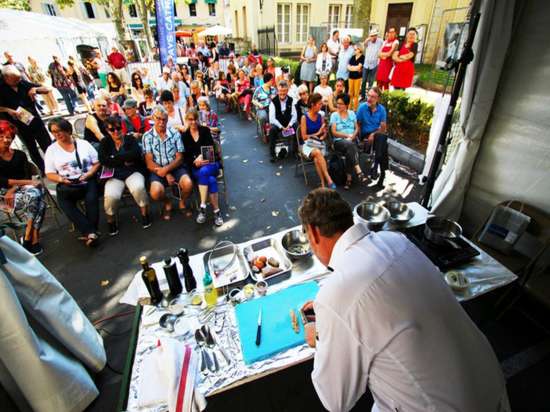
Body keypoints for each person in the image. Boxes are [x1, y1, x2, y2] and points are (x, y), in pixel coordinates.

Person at [298, 188, 511, 412]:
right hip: (491, 385)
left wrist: (319, 332)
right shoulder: (396, 239)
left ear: (312, 232)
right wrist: (333, 312)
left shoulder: (336, 295)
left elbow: (336, 401)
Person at [45, 118, 100, 247]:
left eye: (60, 131)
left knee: (91, 199)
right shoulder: (51, 150)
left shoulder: (83, 144)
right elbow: (49, 173)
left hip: (87, 179)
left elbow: (97, 162)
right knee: (65, 203)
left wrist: (90, 173)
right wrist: (61, 179)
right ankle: (92, 232)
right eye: (54, 132)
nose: (58, 134)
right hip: (67, 183)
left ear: (68, 130)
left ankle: (90, 233)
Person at [98, 115, 150, 235]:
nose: (116, 131)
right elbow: (103, 160)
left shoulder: (130, 139)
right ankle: (111, 221)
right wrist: (124, 159)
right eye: (112, 129)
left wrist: (114, 158)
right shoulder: (105, 142)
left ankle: (145, 214)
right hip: (114, 175)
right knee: (110, 196)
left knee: (138, 188)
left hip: (133, 171)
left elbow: (136, 154)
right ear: (107, 131)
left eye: (118, 128)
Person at [0, 120, 46, 255]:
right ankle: (33, 237)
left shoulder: (20, 154)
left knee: (35, 193)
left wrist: (13, 188)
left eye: (8, 136)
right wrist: (16, 187)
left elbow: (27, 175)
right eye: (1, 136)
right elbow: (1, 181)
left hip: (20, 189)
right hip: (3, 195)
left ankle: (29, 235)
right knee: (39, 199)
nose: (5, 139)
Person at [142, 106, 193, 220]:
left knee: (188, 184)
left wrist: (167, 170)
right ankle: (167, 203)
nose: (161, 122)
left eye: (164, 119)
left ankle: (182, 202)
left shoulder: (174, 133)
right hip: (157, 169)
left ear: (167, 119)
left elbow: (180, 158)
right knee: (155, 192)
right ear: (153, 118)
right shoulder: (147, 136)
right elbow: (149, 163)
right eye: (158, 118)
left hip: (175, 166)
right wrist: (166, 174)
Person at [0, 65, 52, 172]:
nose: (17, 81)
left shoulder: (22, 83)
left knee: (47, 144)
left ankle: (53, 166)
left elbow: (48, 89)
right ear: (6, 78)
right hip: (18, 124)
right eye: (14, 79)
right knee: (32, 148)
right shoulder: (1, 88)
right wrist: (8, 110)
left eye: (18, 78)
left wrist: (35, 89)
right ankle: (42, 170)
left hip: (34, 120)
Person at [181, 109, 223, 226]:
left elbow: (211, 149)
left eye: (195, 119)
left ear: (198, 119)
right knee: (211, 180)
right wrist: (195, 162)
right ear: (187, 121)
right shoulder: (185, 136)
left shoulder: (204, 130)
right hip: (196, 168)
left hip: (211, 164)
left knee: (205, 171)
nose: (193, 122)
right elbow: (186, 157)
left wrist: (200, 156)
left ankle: (202, 207)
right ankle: (217, 212)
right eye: (190, 120)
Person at [329, 93, 367, 189]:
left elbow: (356, 128)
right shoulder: (334, 115)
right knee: (350, 145)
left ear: (346, 105)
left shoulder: (352, 113)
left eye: (341, 103)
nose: (338, 105)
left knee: (350, 148)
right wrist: (347, 135)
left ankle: (348, 179)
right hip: (339, 141)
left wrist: (352, 136)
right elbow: (334, 132)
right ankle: (358, 170)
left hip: (351, 140)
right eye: (337, 103)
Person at [299, 93, 335, 189]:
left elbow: (324, 133)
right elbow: (304, 137)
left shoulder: (320, 116)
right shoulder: (304, 118)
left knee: (316, 159)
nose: (321, 105)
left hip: (319, 143)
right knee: (317, 153)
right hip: (307, 145)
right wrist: (318, 132)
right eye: (319, 104)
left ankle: (323, 184)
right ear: (312, 105)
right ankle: (329, 179)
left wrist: (323, 134)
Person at [356, 86, 388, 188]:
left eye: (373, 97)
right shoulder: (362, 107)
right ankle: (380, 171)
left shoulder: (381, 110)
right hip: (365, 135)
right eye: (368, 95)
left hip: (376, 134)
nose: (369, 98)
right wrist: (360, 137)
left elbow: (383, 128)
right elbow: (357, 124)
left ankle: (376, 166)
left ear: (378, 99)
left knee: (380, 137)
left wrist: (373, 134)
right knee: (383, 144)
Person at [268, 80, 297, 163]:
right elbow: (272, 119)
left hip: (288, 124)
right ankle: (272, 154)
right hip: (278, 125)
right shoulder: (273, 102)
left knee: (296, 125)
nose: (282, 93)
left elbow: (294, 115)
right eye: (280, 91)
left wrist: (289, 125)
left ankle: (295, 151)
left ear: (287, 91)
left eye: (284, 91)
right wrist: (281, 127)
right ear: (278, 91)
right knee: (272, 129)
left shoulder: (291, 100)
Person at [361, 29, 383, 100]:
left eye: (375, 35)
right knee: (364, 81)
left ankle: (369, 97)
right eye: (372, 36)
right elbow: (364, 45)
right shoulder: (368, 41)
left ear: (377, 36)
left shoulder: (380, 41)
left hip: (374, 65)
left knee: (371, 81)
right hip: (366, 64)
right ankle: (362, 96)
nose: (373, 37)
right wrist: (368, 39)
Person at [252, 72, 276, 136]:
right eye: (271, 80)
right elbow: (253, 100)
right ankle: (263, 131)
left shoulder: (273, 89)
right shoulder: (258, 89)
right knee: (263, 116)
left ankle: (274, 130)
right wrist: (259, 104)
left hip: (272, 107)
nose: (273, 81)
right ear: (267, 80)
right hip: (262, 108)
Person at [347, 44, 365, 111]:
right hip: (351, 77)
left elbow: (359, 67)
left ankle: (355, 108)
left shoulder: (362, 57)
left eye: (356, 49)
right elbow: (348, 67)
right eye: (354, 49)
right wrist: (354, 68)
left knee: (356, 93)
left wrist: (352, 68)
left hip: (358, 77)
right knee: (350, 93)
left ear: (359, 49)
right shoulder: (352, 57)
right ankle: (349, 107)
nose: (354, 51)